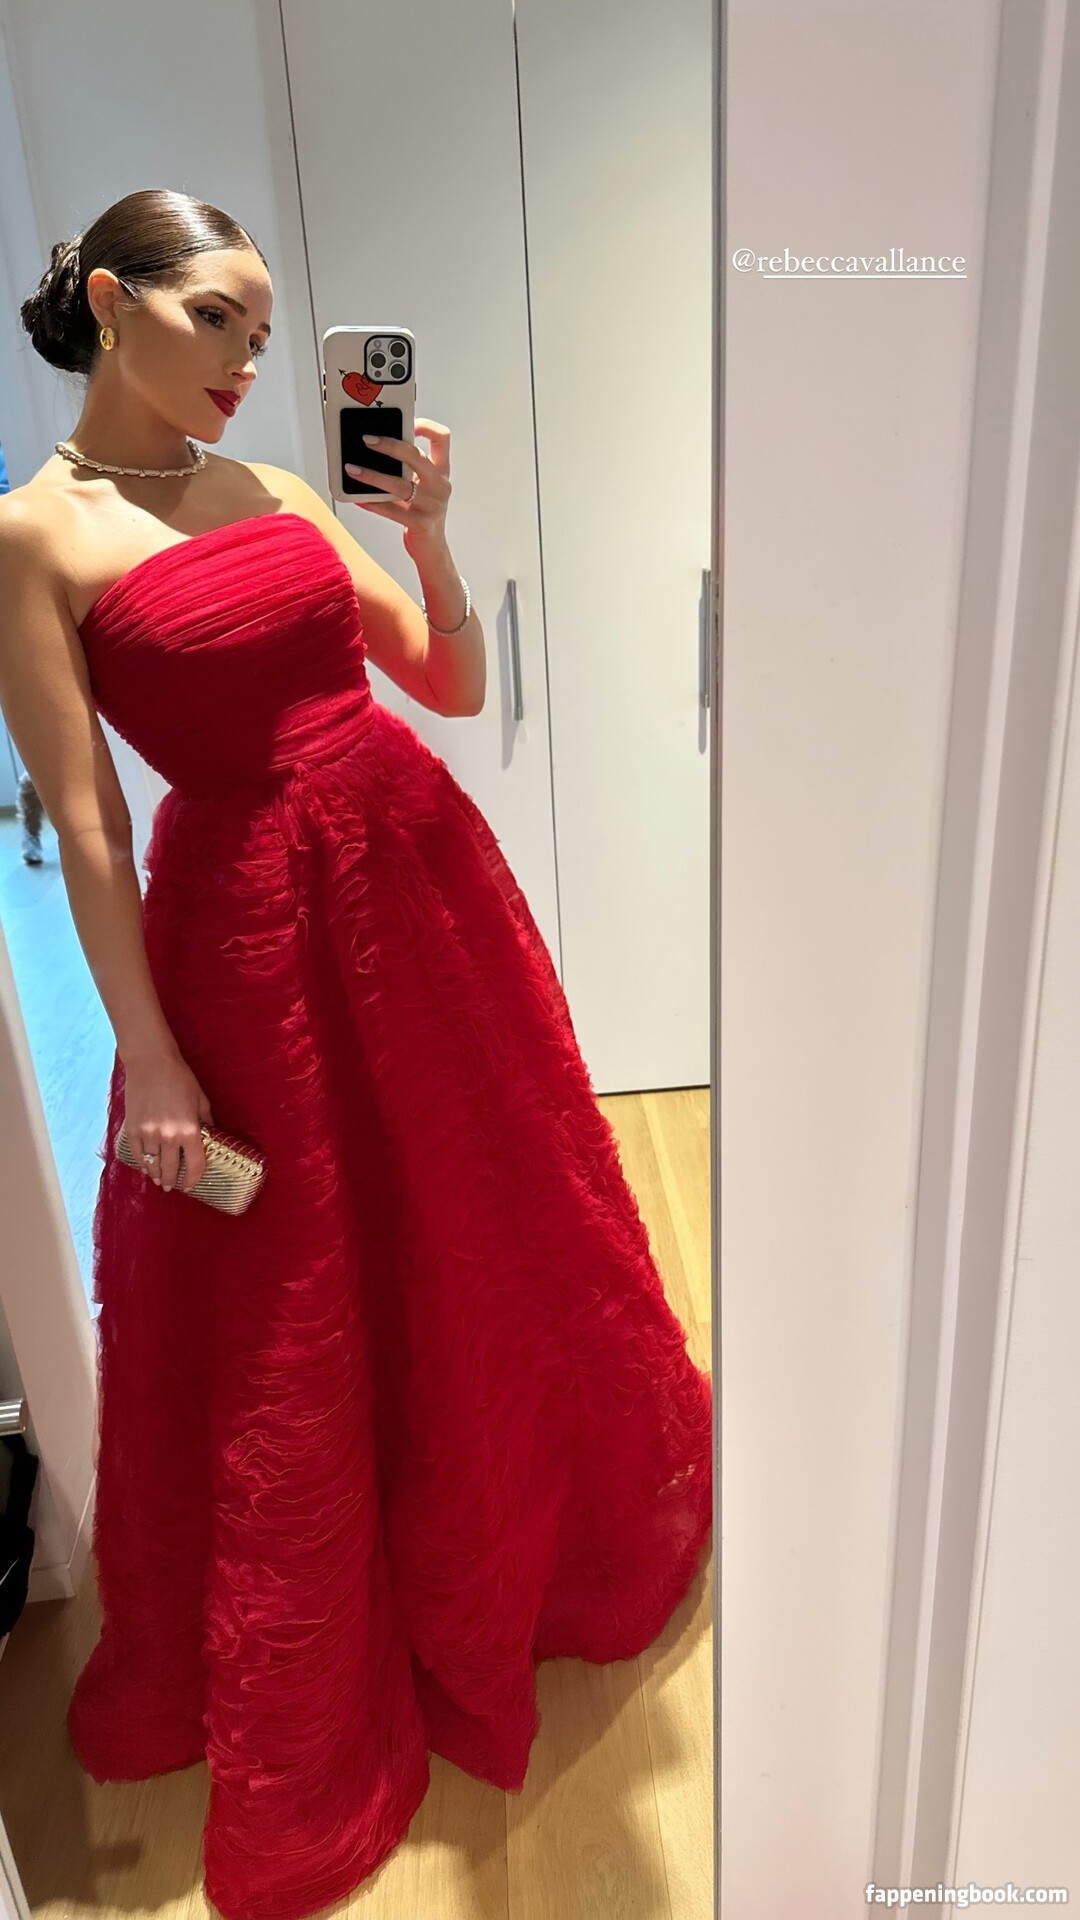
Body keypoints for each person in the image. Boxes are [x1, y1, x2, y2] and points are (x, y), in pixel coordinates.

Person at [0, 187, 713, 1920]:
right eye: (216, 321)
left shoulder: (287, 490)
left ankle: (506, 1538)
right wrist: (152, 1058)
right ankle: (349, 1605)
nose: (248, 362)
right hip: (243, 925)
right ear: (112, 302)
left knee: (476, 1215)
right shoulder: (32, 536)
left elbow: (443, 689)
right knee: (296, 1280)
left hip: (416, 882)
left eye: (263, 332)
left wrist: (433, 539)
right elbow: (89, 828)